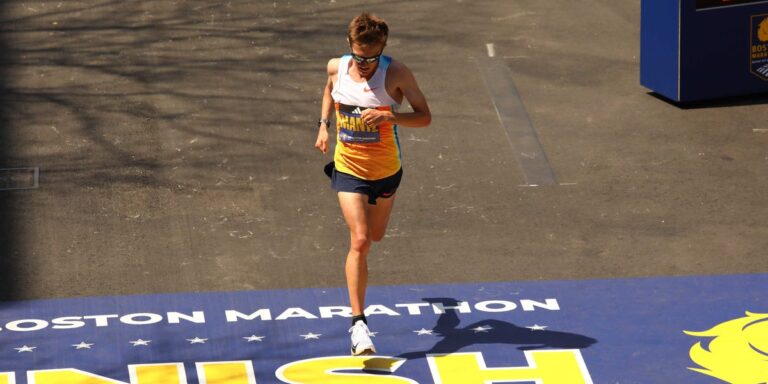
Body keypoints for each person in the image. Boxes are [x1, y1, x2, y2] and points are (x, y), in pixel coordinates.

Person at [314, 12, 432, 355]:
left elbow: (425, 117)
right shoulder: (336, 67)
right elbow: (328, 92)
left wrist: (389, 115)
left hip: (385, 170)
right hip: (348, 168)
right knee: (361, 240)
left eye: (373, 58)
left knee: (376, 236)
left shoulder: (396, 74)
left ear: (383, 50)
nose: (365, 65)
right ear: (350, 47)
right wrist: (324, 125)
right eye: (360, 57)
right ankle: (358, 325)